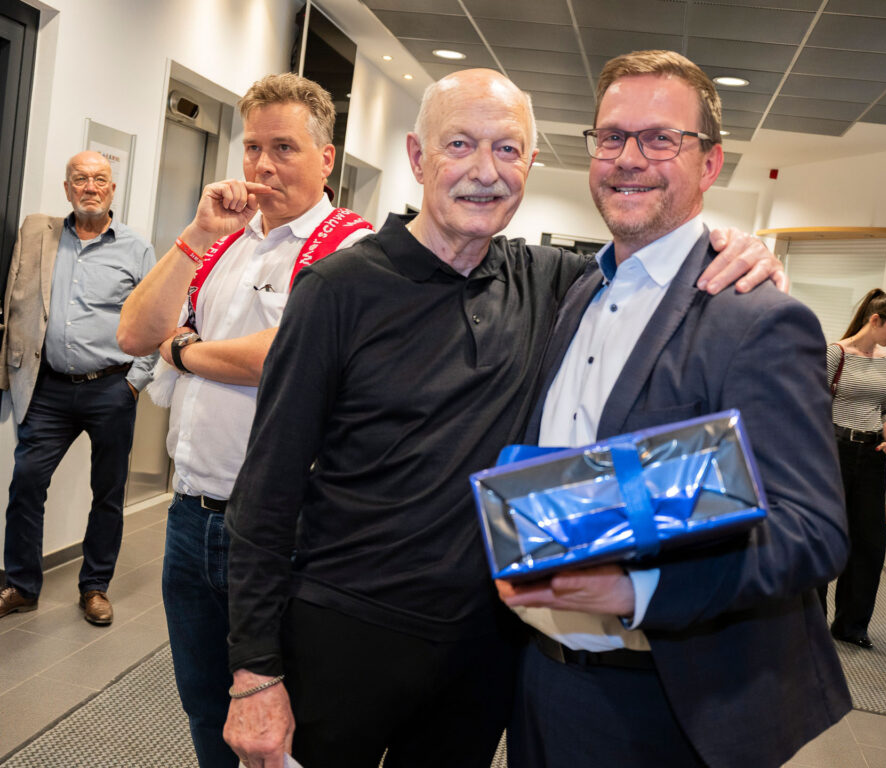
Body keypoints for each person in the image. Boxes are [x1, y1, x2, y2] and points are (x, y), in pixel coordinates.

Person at [221, 67, 785, 768]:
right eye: (459, 145)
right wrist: (254, 674)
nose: (485, 172)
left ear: (531, 163)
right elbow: (267, 489)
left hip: (486, 647)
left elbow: (654, 254)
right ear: (418, 158)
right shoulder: (338, 290)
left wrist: (739, 245)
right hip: (346, 631)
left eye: (509, 150)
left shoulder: (551, 282)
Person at [488, 50, 850, 768]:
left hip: (667, 702)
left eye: (660, 139)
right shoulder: (579, 294)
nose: (629, 159)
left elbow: (812, 532)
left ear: (709, 165)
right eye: (612, 137)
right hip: (541, 678)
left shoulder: (757, 318)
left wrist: (634, 587)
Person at [116, 73, 373, 768]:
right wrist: (198, 235)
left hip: (283, 531)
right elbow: (136, 333)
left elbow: (282, 358)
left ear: (327, 158)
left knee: (287, 724)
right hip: (189, 515)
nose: (262, 167)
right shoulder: (225, 244)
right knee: (205, 708)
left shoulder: (354, 249)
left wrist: (187, 348)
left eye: (284, 148)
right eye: (252, 148)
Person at [0, 151, 156, 626]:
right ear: (68, 189)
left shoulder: (135, 248)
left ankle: (94, 587)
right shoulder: (40, 237)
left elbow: (156, 319)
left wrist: (136, 381)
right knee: (26, 484)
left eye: (100, 180)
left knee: (107, 492)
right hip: (47, 389)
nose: (90, 187)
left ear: (113, 189)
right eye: (81, 179)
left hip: (111, 389)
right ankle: (22, 585)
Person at [818, 288, 886, 649]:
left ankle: (851, 625)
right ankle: (811, 621)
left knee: (869, 544)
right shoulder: (835, 353)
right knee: (825, 535)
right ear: (875, 320)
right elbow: (814, 403)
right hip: (833, 449)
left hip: (872, 453)